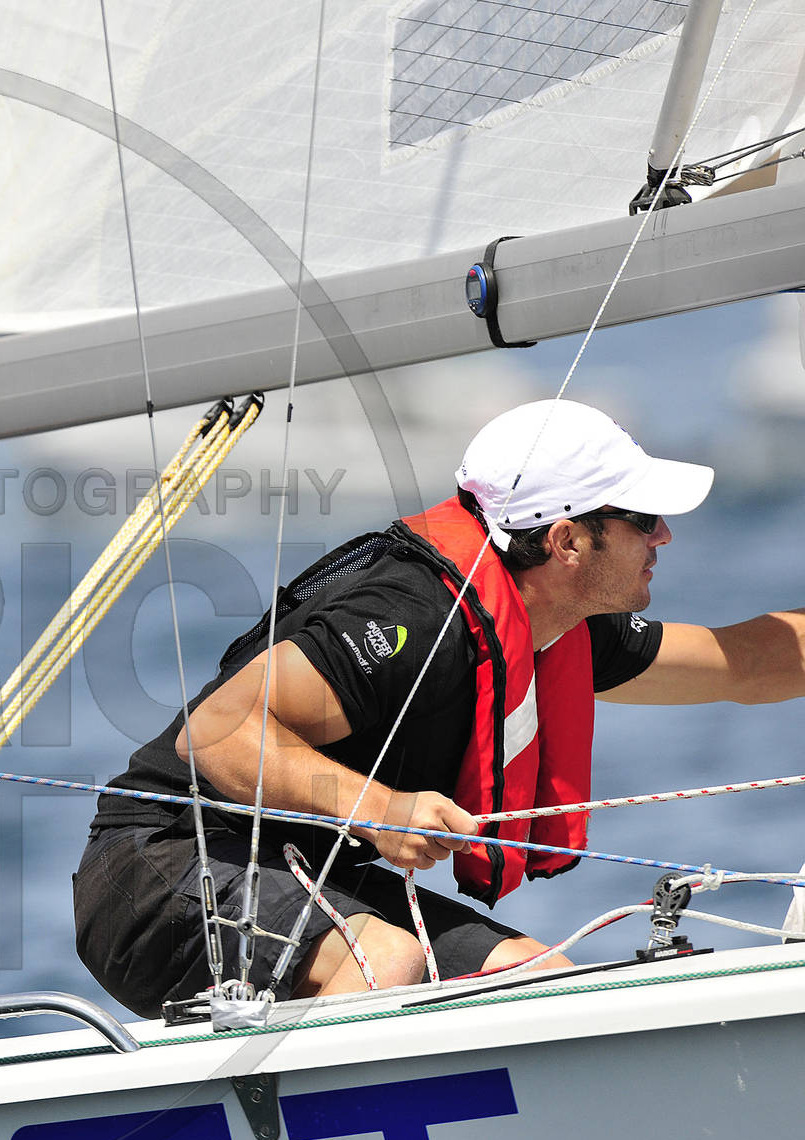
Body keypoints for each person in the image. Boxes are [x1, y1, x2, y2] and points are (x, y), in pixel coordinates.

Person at [76, 398, 805, 1012]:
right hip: (159, 867)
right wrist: (379, 809)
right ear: (567, 540)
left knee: (544, 986)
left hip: (307, 872)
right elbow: (216, 731)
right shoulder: (411, 616)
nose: (664, 534)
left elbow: (746, 663)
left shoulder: (560, 625)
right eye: (643, 518)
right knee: (382, 963)